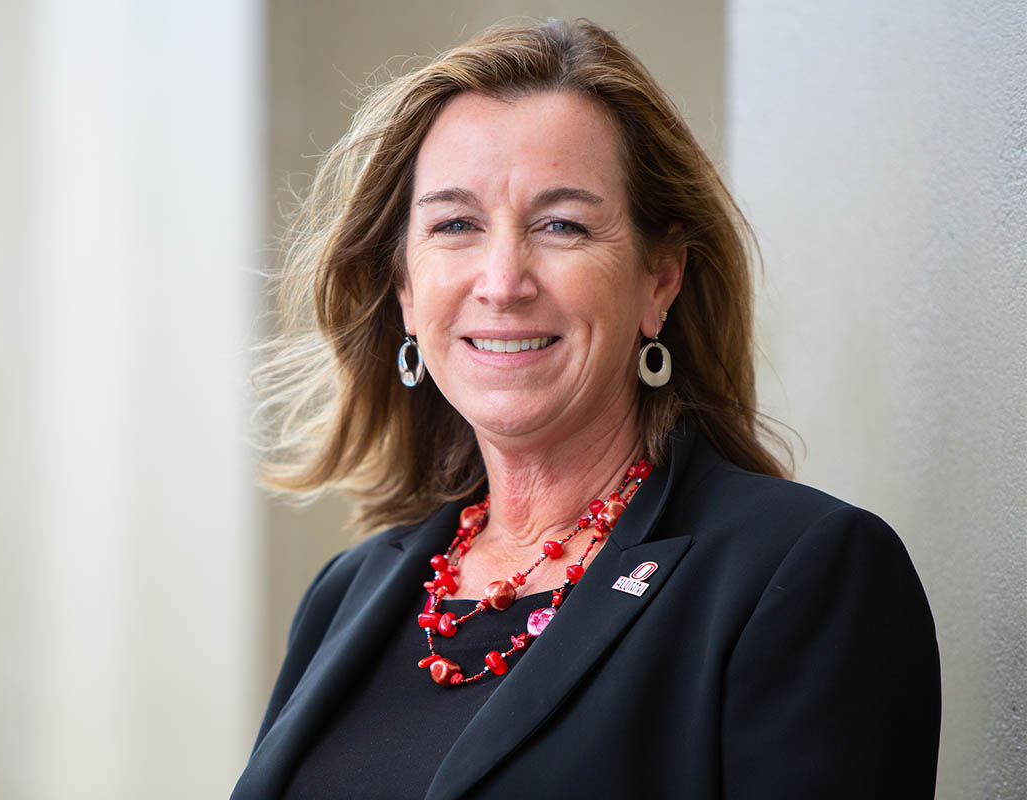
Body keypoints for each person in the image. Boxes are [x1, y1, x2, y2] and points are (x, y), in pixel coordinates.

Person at [234, 18, 940, 799]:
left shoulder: (800, 577)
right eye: (455, 225)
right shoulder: (349, 591)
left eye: (561, 224)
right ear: (404, 288)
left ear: (659, 278)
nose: (503, 281)